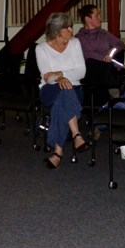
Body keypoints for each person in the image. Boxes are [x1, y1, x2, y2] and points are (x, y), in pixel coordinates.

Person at [36, 12, 88, 169]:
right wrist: (60, 79)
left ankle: (57, 152)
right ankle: (76, 133)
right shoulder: (41, 49)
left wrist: (59, 74)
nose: (72, 30)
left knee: (63, 97)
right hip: (49, 90)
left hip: (75, 88)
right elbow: (47, 77)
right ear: (57, 31)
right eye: (68, 28)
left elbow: (82, 72)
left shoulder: (75, 43)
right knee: (63, 88)